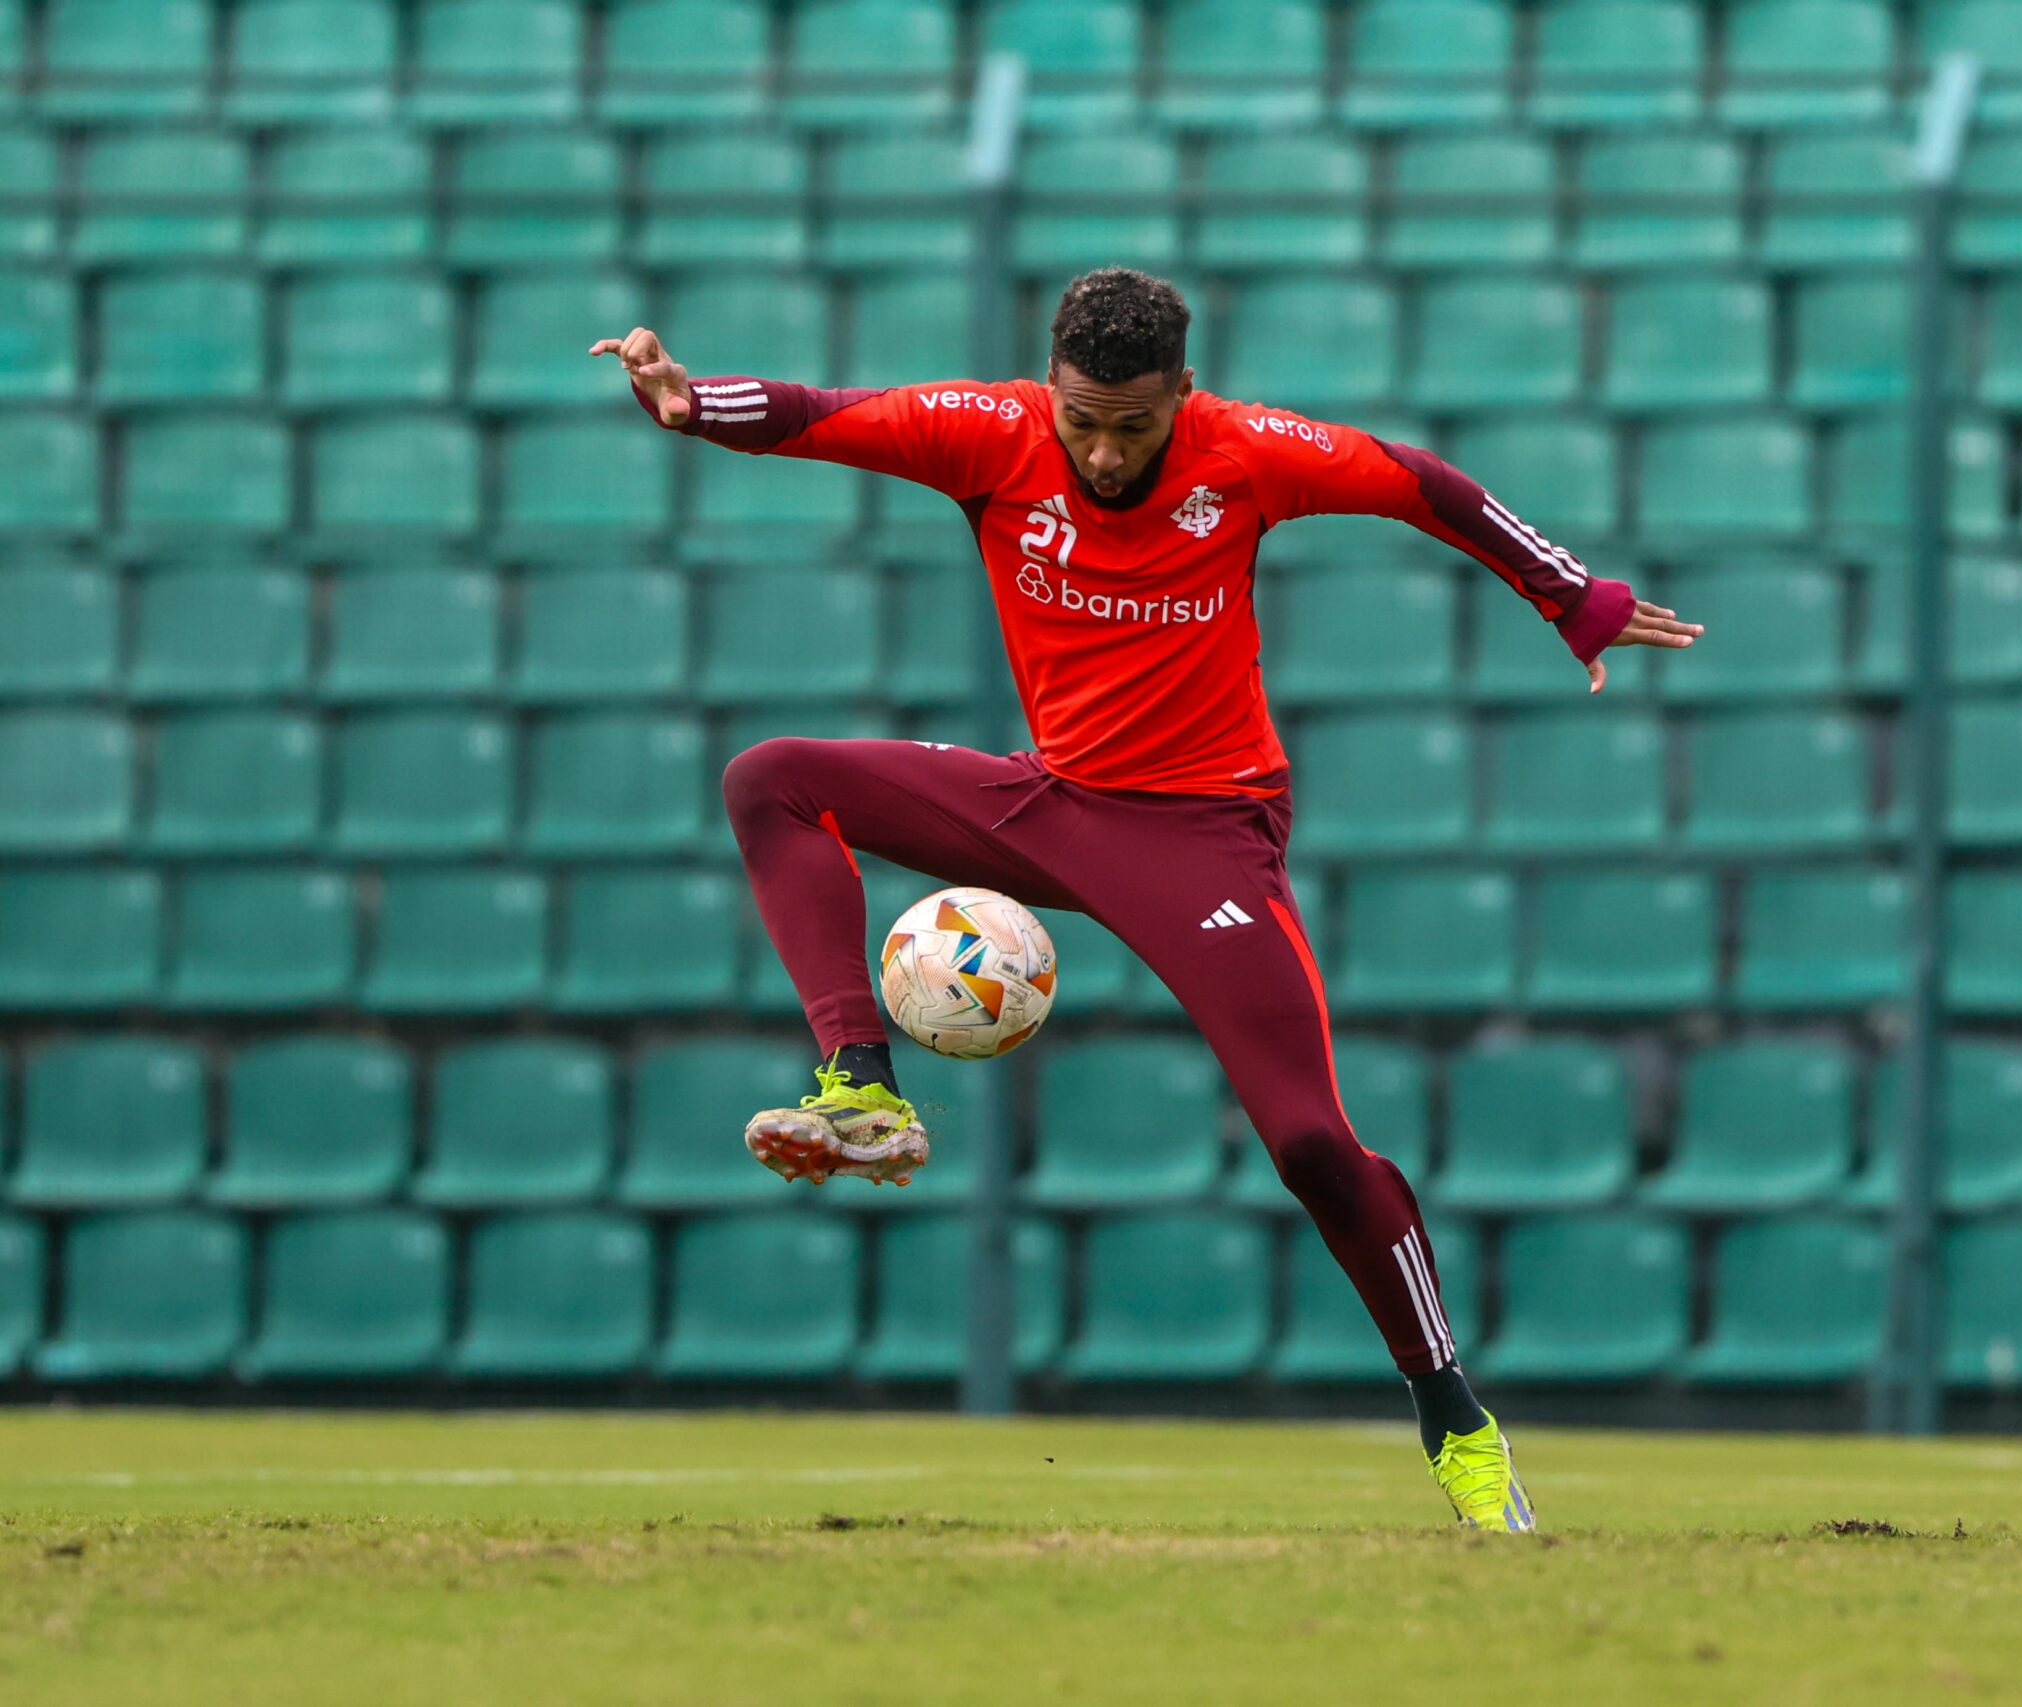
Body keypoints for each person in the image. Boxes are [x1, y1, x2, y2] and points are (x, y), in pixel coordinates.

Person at [593, 267, 1699, 1532]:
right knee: (772, 780)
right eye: (1083, 422)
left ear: (1181, 391)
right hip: (1051, 805)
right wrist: (691, 404)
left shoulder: (1247, 455)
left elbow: (1420, 483)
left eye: (1133, 423)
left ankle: (1454, 1416)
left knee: (1311, 1147)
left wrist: (1571, 598)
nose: (1105, 452)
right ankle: (862, 1086)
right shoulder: (989, 433)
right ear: (1050, 387)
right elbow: (817, 411)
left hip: (1203, 840)